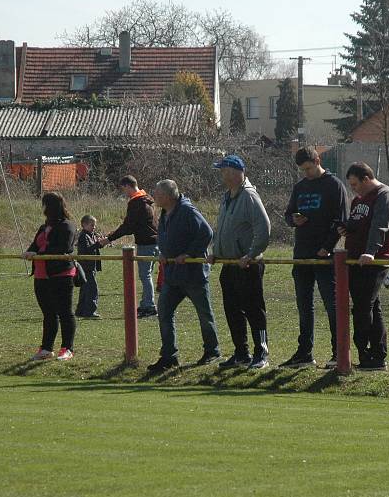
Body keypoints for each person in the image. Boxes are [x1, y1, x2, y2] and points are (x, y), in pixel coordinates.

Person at [281, 146, 349, 370]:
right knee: (304, 305)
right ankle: (304, 353)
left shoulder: (334, 185)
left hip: (324, 256)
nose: (306, 173)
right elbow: (288, 214)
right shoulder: (300, 187)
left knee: (332, 305)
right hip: (301, 254)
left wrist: (327, 247)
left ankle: (338, 353)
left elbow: (341, 220)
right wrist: (294, 219)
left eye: (309, 168)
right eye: (302, 170)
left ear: (318, 160)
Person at [206, 155, 272, 370]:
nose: (221, 175)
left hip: (247, 265)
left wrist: (251, 255)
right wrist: (215, 252)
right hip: (229, 265)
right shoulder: (227, 197)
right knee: (232, 309)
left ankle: (261, 352)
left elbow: (263, 228)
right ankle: (241, 353)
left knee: (254, 309)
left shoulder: (249, 196)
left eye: (223, 170)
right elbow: (221, 228)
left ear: (234, 172)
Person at [148, 179, 220, 374]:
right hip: (173, 275)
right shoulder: (164, 213)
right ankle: (169, 356)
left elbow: (207, 233)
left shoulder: (188, 211)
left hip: (193, 275)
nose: (155, 197)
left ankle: (212, 351)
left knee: (204, 314)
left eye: (158, 194)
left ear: (168, 196)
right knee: (163, 312)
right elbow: (164, 237)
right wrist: (163, 252)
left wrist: (189, 254)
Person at [338, 162, 389, 371]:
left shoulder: (384, 195)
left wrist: (371, 252)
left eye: (355, 184)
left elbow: (380, 225)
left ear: (366, 179)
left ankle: (367, 352)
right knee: (371, 306)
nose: (353, 189)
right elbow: (358, 224)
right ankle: (375, 355)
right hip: (356, 261)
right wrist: (346, 228)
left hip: (373, 261)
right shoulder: (358, 200)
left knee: (364, 307)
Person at [23, 192, 78, 362]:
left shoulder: (67, 226)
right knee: (48, 313)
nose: (43, 209)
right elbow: (34, 244)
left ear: (51, 207)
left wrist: (38, 253)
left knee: (64, 312)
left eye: (45, 205)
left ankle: (67, 348)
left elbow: (63, 248)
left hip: (60, 274)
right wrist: (29, 252)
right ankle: (46, 348)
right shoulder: (43, 227)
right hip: (41, 275)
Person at [99, 175, 159, 318]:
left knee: (145, 276)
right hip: (155, 242)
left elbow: (128, 227)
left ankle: (149, 306)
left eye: (123, 189)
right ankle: (147, 304)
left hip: (146, 244)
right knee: (147, 275)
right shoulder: (147, 199)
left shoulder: (136, 202)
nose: (124, 192)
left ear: (127, 186)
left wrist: (108, 239)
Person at [75, 214, 105, 319]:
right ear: (84, 225)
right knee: (92, 289)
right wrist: (98, 244)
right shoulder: (84, 236)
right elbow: (86, 251)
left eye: (94, 225)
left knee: (85, 289)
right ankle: (89, 312)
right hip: (86, 266)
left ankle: (81, 310)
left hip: (89, 266)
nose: (94, 227)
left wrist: (98, 243)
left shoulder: (90, 235)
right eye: (92, 225)